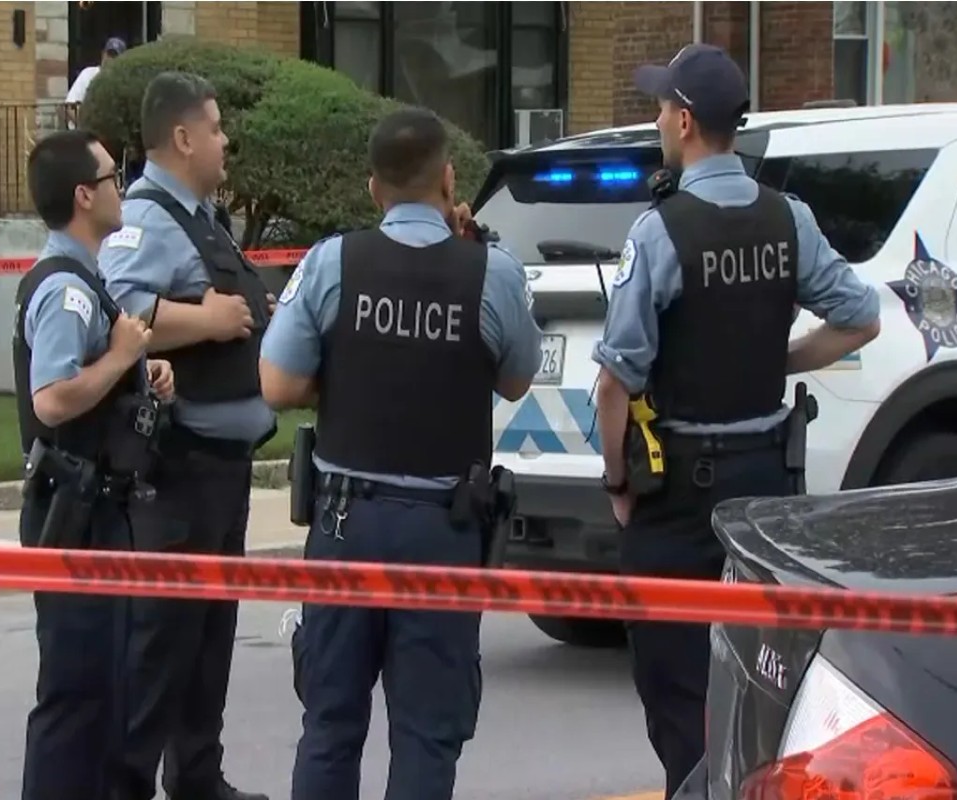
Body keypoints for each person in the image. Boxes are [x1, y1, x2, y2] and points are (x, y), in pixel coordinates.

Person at [591, 43, 882, 798]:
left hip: (678, 497)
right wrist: (776, 363)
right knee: (763, 678)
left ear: (685, 122)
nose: (656, 119)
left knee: (675, 685)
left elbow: (614, 384)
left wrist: (618, 480)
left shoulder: (661, 232)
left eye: (661, 108)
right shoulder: (790, 218)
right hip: (765, 491)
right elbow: (860, 319)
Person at [259, 106, 543, 800]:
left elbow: (277, 383)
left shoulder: (333, 261)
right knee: (426, 734)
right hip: (442, 531)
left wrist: (349, 373)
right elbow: (515, 375)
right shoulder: (491, 273)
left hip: (346, 525)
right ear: (448, 180)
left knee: (331, 723)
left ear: (372, 189)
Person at [98, 71, 273, 800]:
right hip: (180, 467)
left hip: (222, 467)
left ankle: (198, 777)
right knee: (164, 639)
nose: (225, 138)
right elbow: (120, 305)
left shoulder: (201, 217)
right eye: (216, 124)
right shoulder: (147, 218)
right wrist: (208, 321)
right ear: (182, 137)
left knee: (209, 638)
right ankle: (130, 783)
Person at [14, 129, 176, 800]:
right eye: (114, 176)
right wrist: (118, 359)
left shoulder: (86, 281)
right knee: (77, 696)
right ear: (85, 196)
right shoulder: (68, 291)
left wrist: (140, 369)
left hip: (96, 509)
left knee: (106, 692)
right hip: (73, 514)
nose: (123, 185)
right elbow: (51, 399)